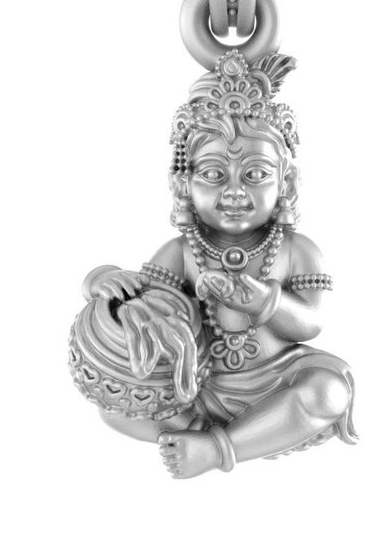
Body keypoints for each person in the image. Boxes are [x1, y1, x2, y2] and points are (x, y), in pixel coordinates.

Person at [83, 52, 356, 478]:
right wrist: (100, 280)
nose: (233, 192)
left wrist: (265, 302)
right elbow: (144, 302)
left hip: (277, 380)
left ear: (286, 183)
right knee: (113, 408)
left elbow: (311, 323)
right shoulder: (179, 252)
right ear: (183, 185)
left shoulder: (297, 250)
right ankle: (214, 434)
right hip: (197, 384)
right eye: (213, 175)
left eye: (254, 175)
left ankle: (216, 448)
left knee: (328, 393)